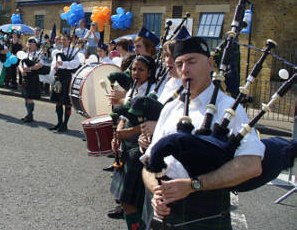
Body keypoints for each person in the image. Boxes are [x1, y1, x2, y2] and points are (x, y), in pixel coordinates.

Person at [141, 37, 264, 230]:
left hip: (205, 211)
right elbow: (148, 163)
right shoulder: (170, 108)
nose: (185, 69)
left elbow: (251, 165)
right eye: (180, 64)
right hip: (165, 211)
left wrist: (194, 184)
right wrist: (156, 191)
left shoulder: (228, 108)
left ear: (210, 63)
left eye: (192, 61)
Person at [110, 55, 156, 230]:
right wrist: (118, 135)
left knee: (132, 202)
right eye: (134, 69)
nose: (136, 73)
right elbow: (124, 116)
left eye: (141, 70)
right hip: (126, 146)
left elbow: (148, 125)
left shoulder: (152, 92)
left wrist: (127, 132)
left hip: (139, 150)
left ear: (149, 72)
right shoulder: (131, 89)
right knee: (125, 201)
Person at [49, 33, 80, 133]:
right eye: (62, 39)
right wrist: (53, 71)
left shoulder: (74, 52)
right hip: (58, 78)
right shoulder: (58, 52)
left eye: (65, 40)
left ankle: (65, 124)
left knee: (67, 103)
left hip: (67, 78)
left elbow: (76, 64)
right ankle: (59, 122)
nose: (63, 41)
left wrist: (64, 64)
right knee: (58, 102)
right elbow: (54, 63)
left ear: (69, 41)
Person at [18, 37, 44, 122]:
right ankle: (28, 114)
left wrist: (29, 69)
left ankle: (30, 115)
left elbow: (40, 65)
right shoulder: (25, 55)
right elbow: (20, 65)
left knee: (29, 97)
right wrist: (22, 71)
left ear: (36, 46)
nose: (29, 46)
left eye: (32, 44)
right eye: (28, 44)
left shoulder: (38, 55)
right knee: (26, 97)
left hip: (33, 77)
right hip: (25, 77)